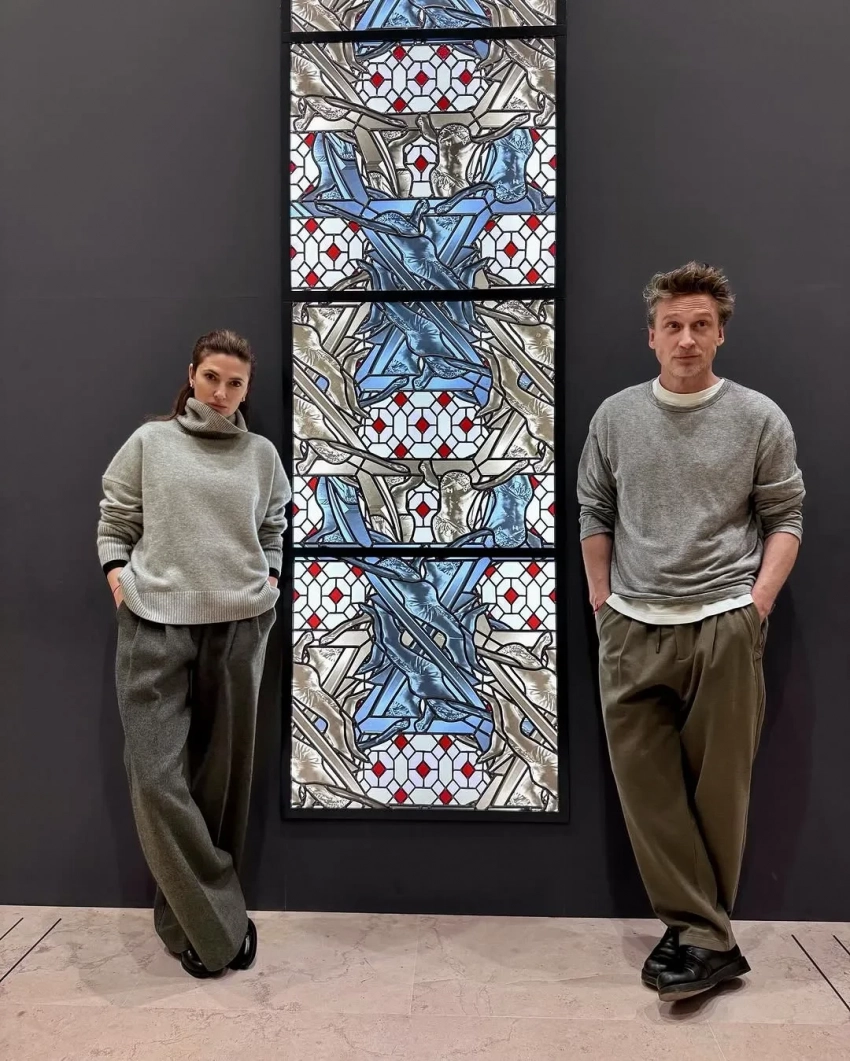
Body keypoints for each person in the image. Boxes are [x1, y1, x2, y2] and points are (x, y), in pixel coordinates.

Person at [577, 263, 804, 1001]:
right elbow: (594, 510)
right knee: (647, 792)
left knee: (720, 791)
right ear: (651, 336)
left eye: (700, 324)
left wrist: (756, 604)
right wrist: (601, 600)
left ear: (720, 333)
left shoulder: (759, 417)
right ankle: (708, 937)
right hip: (631, 625)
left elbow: (786, 517)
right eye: (672, 325)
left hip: (723, 624)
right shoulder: (615, 417)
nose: (686, 338)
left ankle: (697, 937)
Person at [97, 330, 290, 979]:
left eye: (235, 382)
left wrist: (270, 578)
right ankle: (223, 927)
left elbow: (273, 526)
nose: (221, 392)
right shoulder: (150, 443)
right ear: (191, 374)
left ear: (246, 389)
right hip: (154, 623)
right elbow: (115, 518)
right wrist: (117, 577)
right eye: (212, 376)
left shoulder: (261, 455)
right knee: (156, 780)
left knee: (221, 783)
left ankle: (187, 925)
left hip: (239, 624)